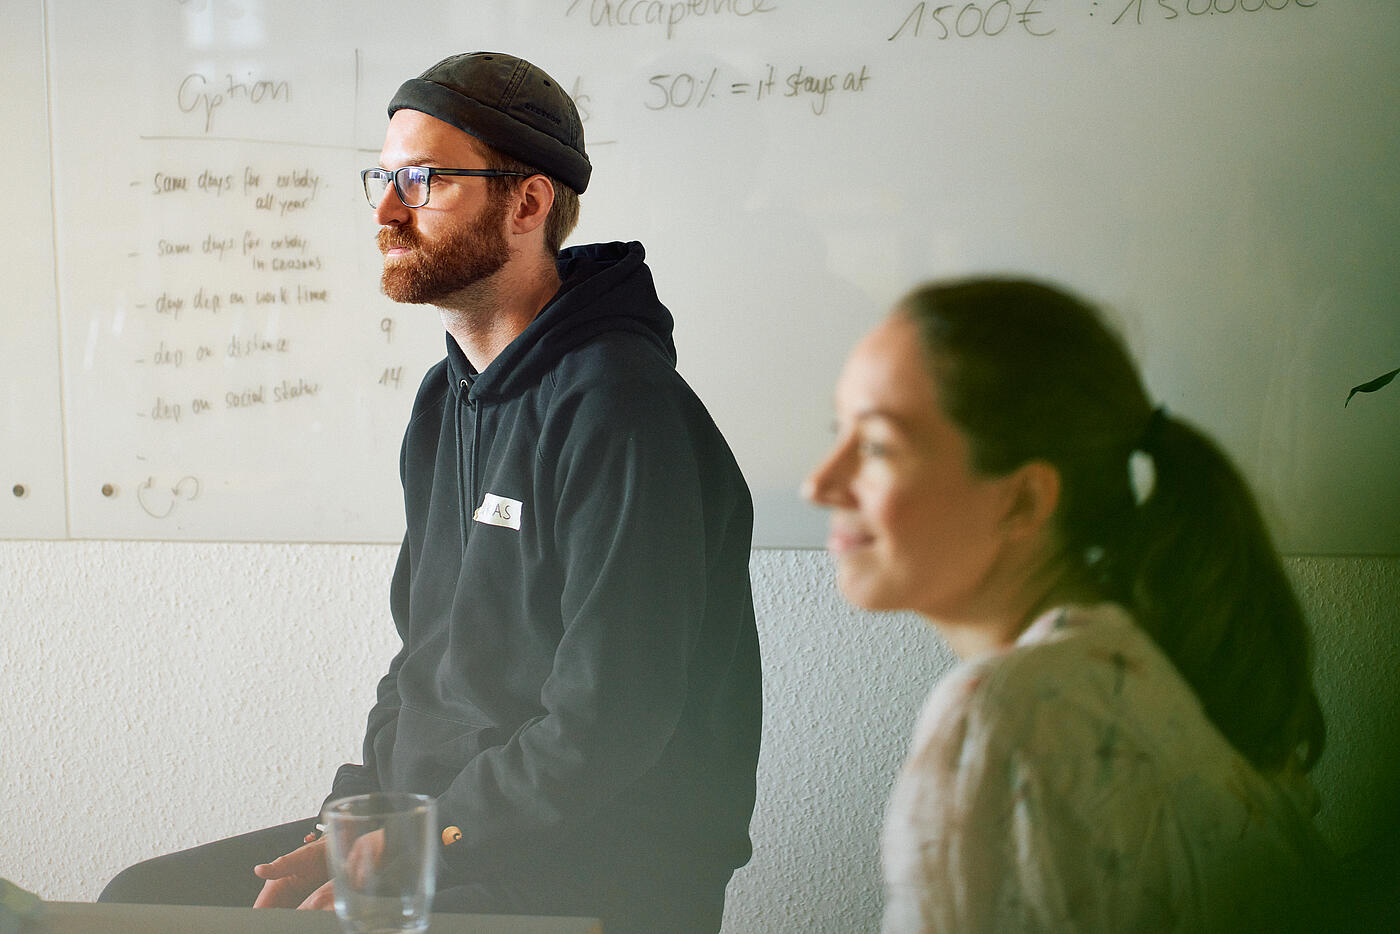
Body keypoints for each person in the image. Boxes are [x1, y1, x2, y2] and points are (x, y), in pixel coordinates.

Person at [99, 51, 762, 934]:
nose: (386, 209)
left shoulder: (621, 409)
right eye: (384, 176)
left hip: (593, 863)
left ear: (526, 203)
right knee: (145, 899)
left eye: (424, 180)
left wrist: (429, 843)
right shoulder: (442, 402)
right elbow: (426, 660)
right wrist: (359, 814)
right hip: (452, 829)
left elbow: (611, 720)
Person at [803, 278, 1334, 933]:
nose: (819, 482)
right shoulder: (1128, 673)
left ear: (1024, 500)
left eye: (878, 446)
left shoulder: (1005, 713)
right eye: (839, 434)